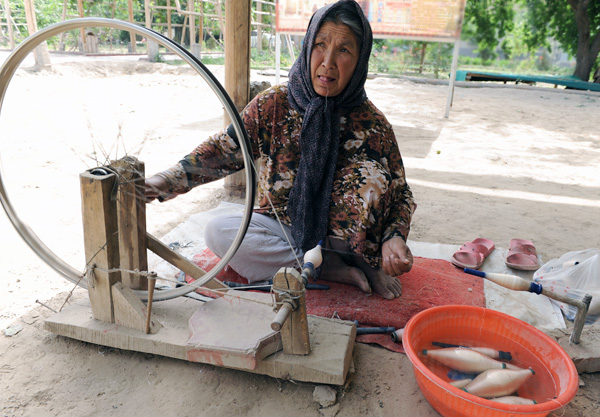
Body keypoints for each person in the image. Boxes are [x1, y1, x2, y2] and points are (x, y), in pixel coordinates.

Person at [145, 0, 415, 299]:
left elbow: (400, 193)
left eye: (344, 50)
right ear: (307, 44)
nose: (327, 62)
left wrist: (394, 238)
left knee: (370, 176)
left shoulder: (373, 124)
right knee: (219, 230)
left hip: (352, 241)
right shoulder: (274, 104)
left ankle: (358, 262)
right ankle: (328, 268)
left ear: (360, 59)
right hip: (285, 227)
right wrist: (166, 180)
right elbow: (225, 149)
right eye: (320, 44)